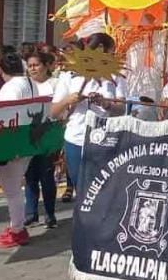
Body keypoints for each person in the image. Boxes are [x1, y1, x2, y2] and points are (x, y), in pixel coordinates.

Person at [0, 53, 53, 248]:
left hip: (13, 143)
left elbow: (3, 113)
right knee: (16, 187)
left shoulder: (11, 86)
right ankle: (16, 226)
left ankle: (17, 229)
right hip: (28, 142)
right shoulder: (30, 83)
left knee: (12, 191)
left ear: (1, 70)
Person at [52, 33, 127, 192]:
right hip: (76, 138)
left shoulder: (116, 77)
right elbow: (53, 112)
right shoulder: (68, 76)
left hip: (105, 138)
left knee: (102, 187)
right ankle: (81, 216)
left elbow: (121, 109)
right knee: (80, 185)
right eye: (110, 53)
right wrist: (69, 100)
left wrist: (106, 104)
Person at [23, 51, 59, 229]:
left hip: (49, 135)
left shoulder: (55, 84)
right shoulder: (25, 85)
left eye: (36, 65)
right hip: (30, 135)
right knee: (30, 176)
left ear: (45, 66)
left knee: (46, 175)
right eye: (29, 66)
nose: (32, 69)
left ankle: (50, 214)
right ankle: (31, 213)